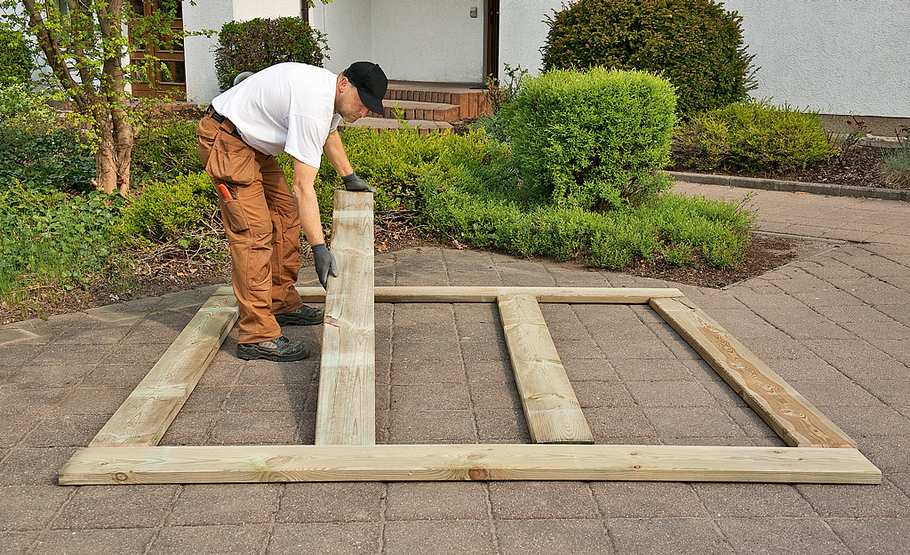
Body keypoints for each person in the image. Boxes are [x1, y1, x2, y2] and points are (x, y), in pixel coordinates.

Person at [197, 61, 387, 362]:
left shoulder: (328, 96)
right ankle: (256, 335)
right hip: (227, 141)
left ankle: (279, 301)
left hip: (252, 146)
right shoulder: (311, 104)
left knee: (285, 215)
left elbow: (329, 135)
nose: (363, 114)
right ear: (344, 84)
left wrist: (349, 176)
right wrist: (319, 247)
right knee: (254, 234)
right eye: (363, 104)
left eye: (369, 109)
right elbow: (303, 187)